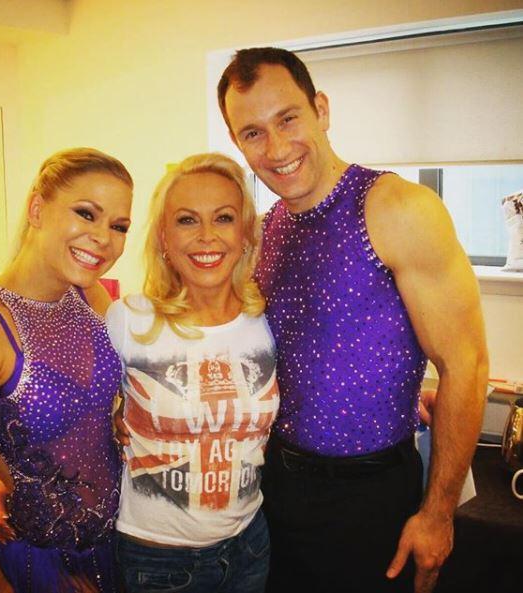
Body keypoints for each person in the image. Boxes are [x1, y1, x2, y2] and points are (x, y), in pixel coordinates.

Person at [216, 47, 488, 593]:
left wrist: (438, 514)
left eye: (288, 118)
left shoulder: (397, 208)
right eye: (252, 133)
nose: (276, 148)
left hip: (372, 496)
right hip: (276, 488)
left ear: (320, 109)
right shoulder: (266, 232)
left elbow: (466, 363)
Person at [0, 148, 133, 593]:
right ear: (38, 208)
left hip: (118, 542)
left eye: (118, 226)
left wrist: (120, 419)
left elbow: (84, 412)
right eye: (86, 213)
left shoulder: (91, 298)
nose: (103, 237)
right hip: (37, 558)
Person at [106, 153, 279, 593]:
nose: (206, 237)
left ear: (244, 234)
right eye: (187, 220)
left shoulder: (266, 319)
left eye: (223, 218)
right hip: (158, 559)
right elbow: (70, 410)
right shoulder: (130, 321)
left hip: (250, 544)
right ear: (164, 237)